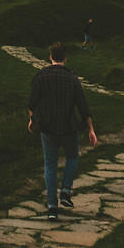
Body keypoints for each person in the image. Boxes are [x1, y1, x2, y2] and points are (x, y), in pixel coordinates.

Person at [27, 40, 98, 221]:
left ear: (50, 57)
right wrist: (91, 129)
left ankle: (52, 207)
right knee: (72, 157)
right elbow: (83, 107)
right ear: (65, 59)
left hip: (47, 127)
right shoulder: (72, 79)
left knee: (50, 165)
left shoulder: (40, 77)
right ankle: (65, 190)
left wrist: (32, 119)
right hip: (68, 126)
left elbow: (32, 103)